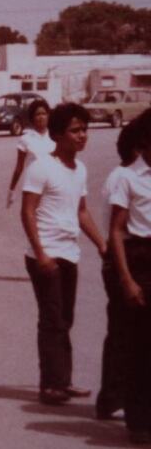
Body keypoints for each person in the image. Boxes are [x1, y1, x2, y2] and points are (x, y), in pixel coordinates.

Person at [20, 102, 105, 406]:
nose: (82, 135)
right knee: (52, 319)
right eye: (75, 130)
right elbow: (27, 212)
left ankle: (63, 380)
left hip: (69, 253)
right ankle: (50, 385)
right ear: (57, 134)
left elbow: (82, 212)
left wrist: (102, 244)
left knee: (65, 319)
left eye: (85, 129)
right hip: (45, 254)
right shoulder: (41, 166)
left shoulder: (79, 169)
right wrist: (41, 253)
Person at [108, 108, 151, 443]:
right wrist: (126, 279)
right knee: (140, 346)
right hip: (140, 259)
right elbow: (117, 231)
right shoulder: (127, 177)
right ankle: (138, 420)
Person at [95, 120, 142, 420]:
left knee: (122, 332)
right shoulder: (123, 178)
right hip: (123, 259)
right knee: (124, 332)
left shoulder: (125, 176)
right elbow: (118, 230)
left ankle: (114, 396)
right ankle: (113, 396)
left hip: (124, 257)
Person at [8, 99, 54, 207]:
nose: (41, 117)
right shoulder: (26, 139)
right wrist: (12, 190)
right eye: (38, 114)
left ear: (48, 116)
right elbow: (19, 167)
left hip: (52, 185)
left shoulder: (55, 137)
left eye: (44, 113)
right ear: (32, 118)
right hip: (33, 186)